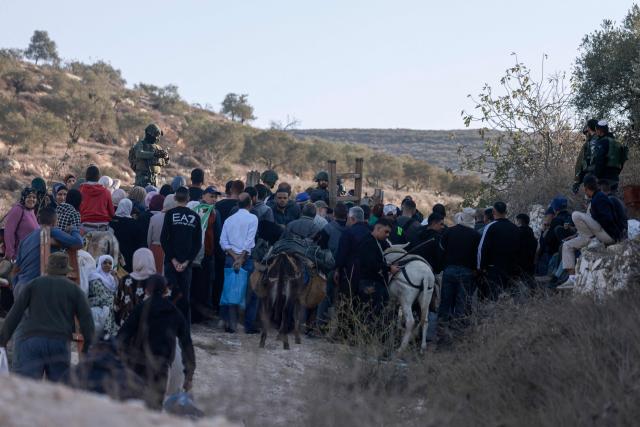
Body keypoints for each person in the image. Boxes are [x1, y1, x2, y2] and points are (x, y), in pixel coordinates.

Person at [0, 252, 94, 382]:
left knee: (28, 388)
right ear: (66, 271)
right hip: (59, 342)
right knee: (57, 391)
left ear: (48, 268)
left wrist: (3, 340)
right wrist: (87, 346)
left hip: (31, 340)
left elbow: (15, 313)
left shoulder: (34, 284)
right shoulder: (75, 289)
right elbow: (87, 320)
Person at [116, 274, 195, 410]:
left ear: (147, 290)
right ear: (165, 290)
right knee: (154, 407)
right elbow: (187, 343)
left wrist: (118, 360)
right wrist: (189, 375)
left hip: (138, 364)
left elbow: (123, 335)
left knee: (134, 406)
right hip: (161, 366)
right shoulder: (174, 312)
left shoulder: (140, 309)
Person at [12, 207, 83, 297]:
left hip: (19, 287)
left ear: (39, 220)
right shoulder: (50, 230)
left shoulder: (26, 239)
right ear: (55, 222)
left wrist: (15, 286)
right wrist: (73, 229)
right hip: (35, 289)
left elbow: (15, 269)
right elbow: (78, 243)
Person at [561, 175, 622, 280]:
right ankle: (572, 279)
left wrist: (593, 218)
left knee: (575, 215)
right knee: (567, 246)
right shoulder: (595, 199)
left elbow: (608, 219)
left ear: (586, 188)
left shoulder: (600, 198)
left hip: (608, 234)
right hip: (596, 234)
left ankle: (592, 239)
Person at [161, 187, 202, 334]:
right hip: (186, 264)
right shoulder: (195, 217)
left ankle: (168, 327)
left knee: (169, 294)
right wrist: (186, 262)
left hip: (171, 263)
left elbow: (163, 239)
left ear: (175, 198)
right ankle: (184, 328)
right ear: (188, 198)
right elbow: (198, 243)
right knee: (185, 296)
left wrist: (172, 259)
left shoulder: (170, 214)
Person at [438, 208, 480, 340]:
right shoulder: (475, 235)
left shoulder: (449, 231)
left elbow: (441, 250)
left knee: (445, 301)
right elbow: (478, 256)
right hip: (467, 272)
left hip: (449, 270)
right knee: (461, 303)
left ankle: (441, 332)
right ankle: (457, 335)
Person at [219, 193, 258, 333]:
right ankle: (249, 325)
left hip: (230, 259)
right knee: (251, 292)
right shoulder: (253, 218)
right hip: (246, 260)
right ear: (251, 203)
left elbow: (223, 242)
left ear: (237, 204)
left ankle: (229, 324)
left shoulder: (229, 220)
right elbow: (249, 242)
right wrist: (241, 259)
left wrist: (235, 257)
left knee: (230, 289)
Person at [355, 218, 398, 318]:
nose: (387, 235)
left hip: (376, 284)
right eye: (386, 231)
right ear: (378, 228)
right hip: (369, 284)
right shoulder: (368, 242)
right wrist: (389, 269)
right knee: (371, 316)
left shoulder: (377, 241)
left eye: (389, 233)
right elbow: (372, 263)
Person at [190, 187, 222, 324]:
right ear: (203, 195)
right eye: (211, 196)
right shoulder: (195, 208)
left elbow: (217, 234)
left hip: (208, 254)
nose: (214, 199)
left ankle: (202, 316)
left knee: (205, 285)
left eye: (215, 197)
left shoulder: (215, 212)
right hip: (194, 254)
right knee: (195, 285)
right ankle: (193, 314)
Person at [477, 201, 520, 300]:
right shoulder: (514, 228)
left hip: (494, 270)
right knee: (508, 298)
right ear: (506, 212)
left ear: (493, 211)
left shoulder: (490, 227)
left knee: (493, 298)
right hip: (511, 269)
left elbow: (482, 248)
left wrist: (480, 267)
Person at [316, 202, 348, 326]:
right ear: (346, 216)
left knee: (325, 297)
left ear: (334, 214)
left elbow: (320, 247)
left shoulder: (328, 228)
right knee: (341, 299)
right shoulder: (349, 229)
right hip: (344, 268)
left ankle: (320, 324)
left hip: (329, 268)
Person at [111, 248, 157, 332]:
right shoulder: (157, 280)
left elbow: (116, 304)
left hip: (127, 323)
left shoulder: (125, 279)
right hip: (151, 325)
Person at [334, 206, 371, 297]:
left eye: (348, 218)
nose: (346, 221)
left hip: (350, 275)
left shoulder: (347, 233)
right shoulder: (371, 231)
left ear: (352, 219)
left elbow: (341, 255)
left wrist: (337, 269)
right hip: (368, 276)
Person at [109, 199, 145, 273]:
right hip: (128, 256)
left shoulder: (111, 221)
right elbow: (139, 241)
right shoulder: (134, 224)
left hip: (112, 253)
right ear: (130, 208)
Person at [87, 255, 118, 340]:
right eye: (105, 262)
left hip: (107, 303)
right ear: (100, 264)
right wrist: (113, 299)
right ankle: (107, 331)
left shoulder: (111, 279)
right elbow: (101, 295)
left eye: (110, 263)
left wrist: (115, 277)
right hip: (95, 301)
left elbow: (117, 292)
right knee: (110, 301)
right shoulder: (95, 277)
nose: (107, 265)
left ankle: (108, 332)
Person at [4, 187, 39, 261]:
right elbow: (9, 232)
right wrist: (10, 253)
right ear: (23, 197)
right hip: (18, 255)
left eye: (34, 197)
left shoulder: (31, 211)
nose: (32, 199)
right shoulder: (18, 209)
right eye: (29, 197)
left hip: (30, 254)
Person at [592, 120, 628, 191]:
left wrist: (596, 176)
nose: (596, 132)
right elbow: (622, 160)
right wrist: (617, 173)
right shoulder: (617, 143)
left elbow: (600, 160)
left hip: (604, 178)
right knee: (612, 199)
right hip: (615, 178)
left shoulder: (602, 142)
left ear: (600, 130)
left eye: (596, 129)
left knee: (603, 200)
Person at [79, 165, 115, 230]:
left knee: (85, 240)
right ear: (98, 177)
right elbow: (111, 212)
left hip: (85, 226)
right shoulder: (106, 192)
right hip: (103, 227)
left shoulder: (81, 190)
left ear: (86, 176)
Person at [148, 195, 175, 274]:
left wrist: (150, 247)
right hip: (169, 250)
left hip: (155, 247)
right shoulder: (175, 218)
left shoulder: (155, 217)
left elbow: (149, 237)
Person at [573, 119, 599, 194]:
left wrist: (577, 181)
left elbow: (582, 163)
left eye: (587, 133)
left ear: (589, 129)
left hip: (593, 177)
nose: (586, 135)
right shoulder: (604, 140)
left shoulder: (592, 142)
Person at [515, 213, 538, 281]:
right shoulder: (531, 233)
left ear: (519, 221)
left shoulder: (518, 232)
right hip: (530, 264)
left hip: (519, 265)